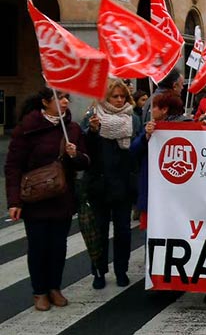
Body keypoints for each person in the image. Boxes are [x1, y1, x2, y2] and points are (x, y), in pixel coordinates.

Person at [5, 88, 89, 311]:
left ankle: (55, 287)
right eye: (59, 98)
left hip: (61, 197)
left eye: (66, 99)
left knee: (58, 246)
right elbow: (13, 167)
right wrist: (14, 201)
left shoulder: (71, 128)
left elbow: (85, 162)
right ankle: (39, 291)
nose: (64, 102)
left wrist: (75, 155)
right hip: (35, 199)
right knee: (38, 246)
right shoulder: (27, 129)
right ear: (45, 102)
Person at [82, 78, 142, 290]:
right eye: (114, 96)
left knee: (123, 231)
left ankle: (121, 270)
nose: (119, 100)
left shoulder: (132, 118)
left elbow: (135, 148)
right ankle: (98, 271)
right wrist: (92, 131)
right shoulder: (93, 117)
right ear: (105, 97)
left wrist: (145, 137)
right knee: (98, 232)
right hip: (99, 184)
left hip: (123, 183)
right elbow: (84, 150)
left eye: (122, 97)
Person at [131, 90, 186, 231]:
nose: (150, 110)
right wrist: (146, 137)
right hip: (152, 191)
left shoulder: (185, 128)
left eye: (154, 107)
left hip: (175, 195)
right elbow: (134, 151)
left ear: (164, 110)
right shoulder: (151, 128)